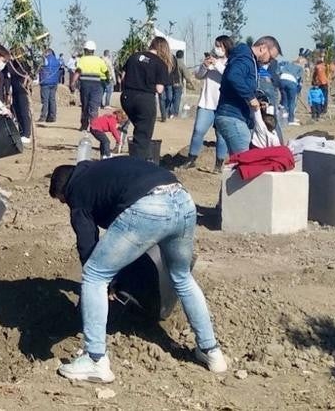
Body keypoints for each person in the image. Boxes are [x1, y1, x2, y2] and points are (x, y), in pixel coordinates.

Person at [51, 158, 226, 383]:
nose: (65, 204)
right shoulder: (101, 171)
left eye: (61, 201)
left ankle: (95, 360)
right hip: (182, 199)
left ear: (62, 192)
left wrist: (108, 281)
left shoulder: (77, 192)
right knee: (181, 277)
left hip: (150, 206)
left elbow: (87, 244)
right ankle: (211, 351)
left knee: (94, 275)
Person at [214, 36, 281, 156]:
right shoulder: (245, 58)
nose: (269, 61)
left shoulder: (248, 59)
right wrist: (250, 97)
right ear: (263, 48)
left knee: (238, 162)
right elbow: (233, 76)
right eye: (270, 57)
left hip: (233, 116)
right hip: (232, 116)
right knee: (245, 160)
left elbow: (242, 82)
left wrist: (258, 99)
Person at [184, 37, 233, 172]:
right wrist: (204, 65)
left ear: (226, 47)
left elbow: (229, 75)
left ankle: (219, 163)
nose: (217, 48)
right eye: (216, 45)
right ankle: (191, 159)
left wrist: (216, 64)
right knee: (199, 130)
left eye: (220, 46)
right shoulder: (210, 60)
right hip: (206, 102)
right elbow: (199, 75)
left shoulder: (231, 62)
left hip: (223, 104)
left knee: (221, 135)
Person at [119, 37, 171, 160]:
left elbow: (122, 77)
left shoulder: (134, 56)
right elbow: (159, 89)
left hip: (127, 97)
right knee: (143, 135)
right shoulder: (160, 63)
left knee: (139, 128)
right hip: (144, 99)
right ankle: (140, 164)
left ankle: (143, 156)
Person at [70, 41, 110, 132]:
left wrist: (72, 82)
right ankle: (94, 126)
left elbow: (78, 72)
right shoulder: (99, 60)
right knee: (94, 107)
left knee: (85, 105)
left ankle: (84, 125)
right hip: (98, 86)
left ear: (85, 50)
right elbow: (106, 72)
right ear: (93, 50)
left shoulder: (82, 60)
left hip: (85, 85)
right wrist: (107, 81)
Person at [6, 49, 33, 145]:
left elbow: (27, 74)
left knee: (23, 111)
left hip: (22, 91)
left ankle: (26, 134)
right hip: (15, 90)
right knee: (17, 111)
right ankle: (21, 132)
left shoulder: (23, 64)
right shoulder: (11, 64)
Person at [38, 48, 62, 123]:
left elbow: (40, 67)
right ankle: (52, 117)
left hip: (45, 82)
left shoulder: (45, 60)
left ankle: (43, 117)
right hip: (54, 83)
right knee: (52, 100)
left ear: (47, 53)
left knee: (45, 100)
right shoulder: (57, 60)